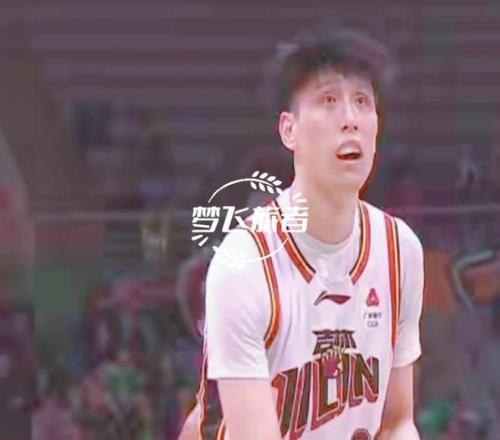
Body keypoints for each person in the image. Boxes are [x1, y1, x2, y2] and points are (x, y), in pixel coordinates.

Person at [179, 27, 424, 440]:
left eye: (362, 102)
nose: (350, 119)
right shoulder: (245, 265)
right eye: (328, 101)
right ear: (289, 131)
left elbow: (397, 422)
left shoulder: (401, 251)